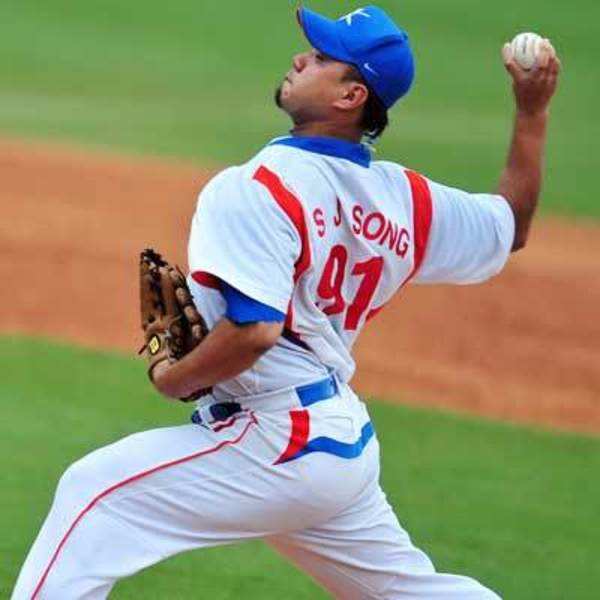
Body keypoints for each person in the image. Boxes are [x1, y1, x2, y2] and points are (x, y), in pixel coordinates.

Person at [12, 5, 560, 599]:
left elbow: (254, 331)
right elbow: (512, 225)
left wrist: (176, 378)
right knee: (412, 591)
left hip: (279, 440)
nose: (301, 58)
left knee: (93, 496)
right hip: (337, 443)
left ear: (352, 96)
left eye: (322, 58)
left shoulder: (256, 187)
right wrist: (531, 111)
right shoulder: (406, 199)